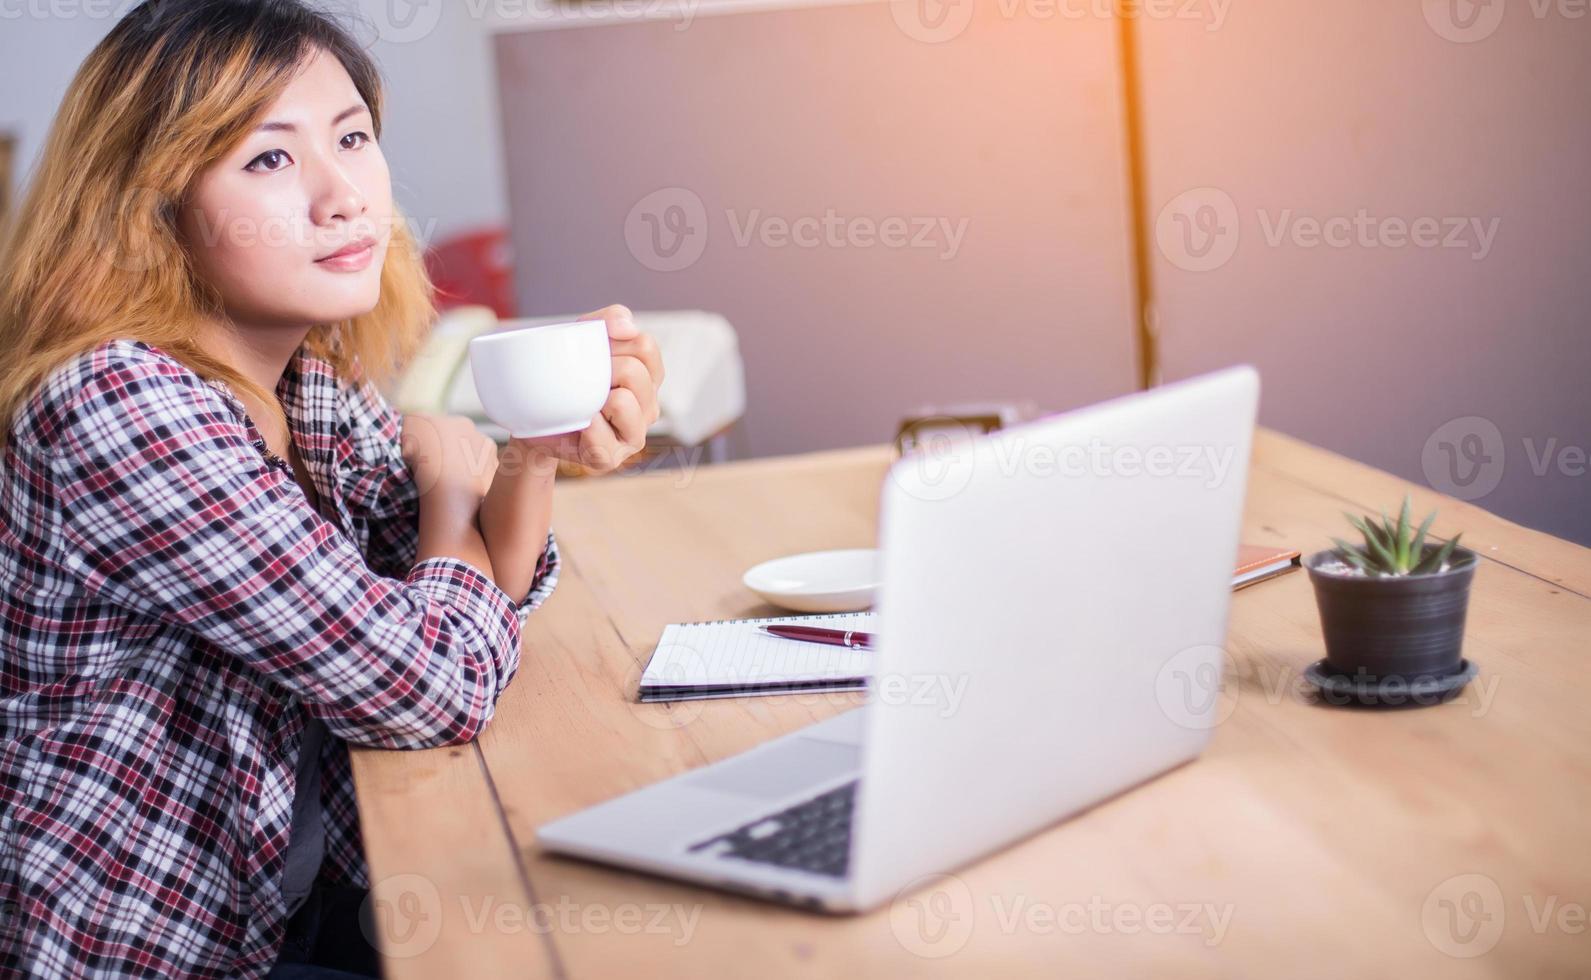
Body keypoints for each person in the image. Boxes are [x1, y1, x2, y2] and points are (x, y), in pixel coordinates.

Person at [0, 2, 663, 976]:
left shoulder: (303, 380)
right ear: (154, 205)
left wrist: (532, 447)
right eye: (269, 158)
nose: (344, 193)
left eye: (351, 137)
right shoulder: (117, 401)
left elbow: (464, 585)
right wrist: (446, 489)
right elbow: (428, 681)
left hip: (299, 894)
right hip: (154, 946)